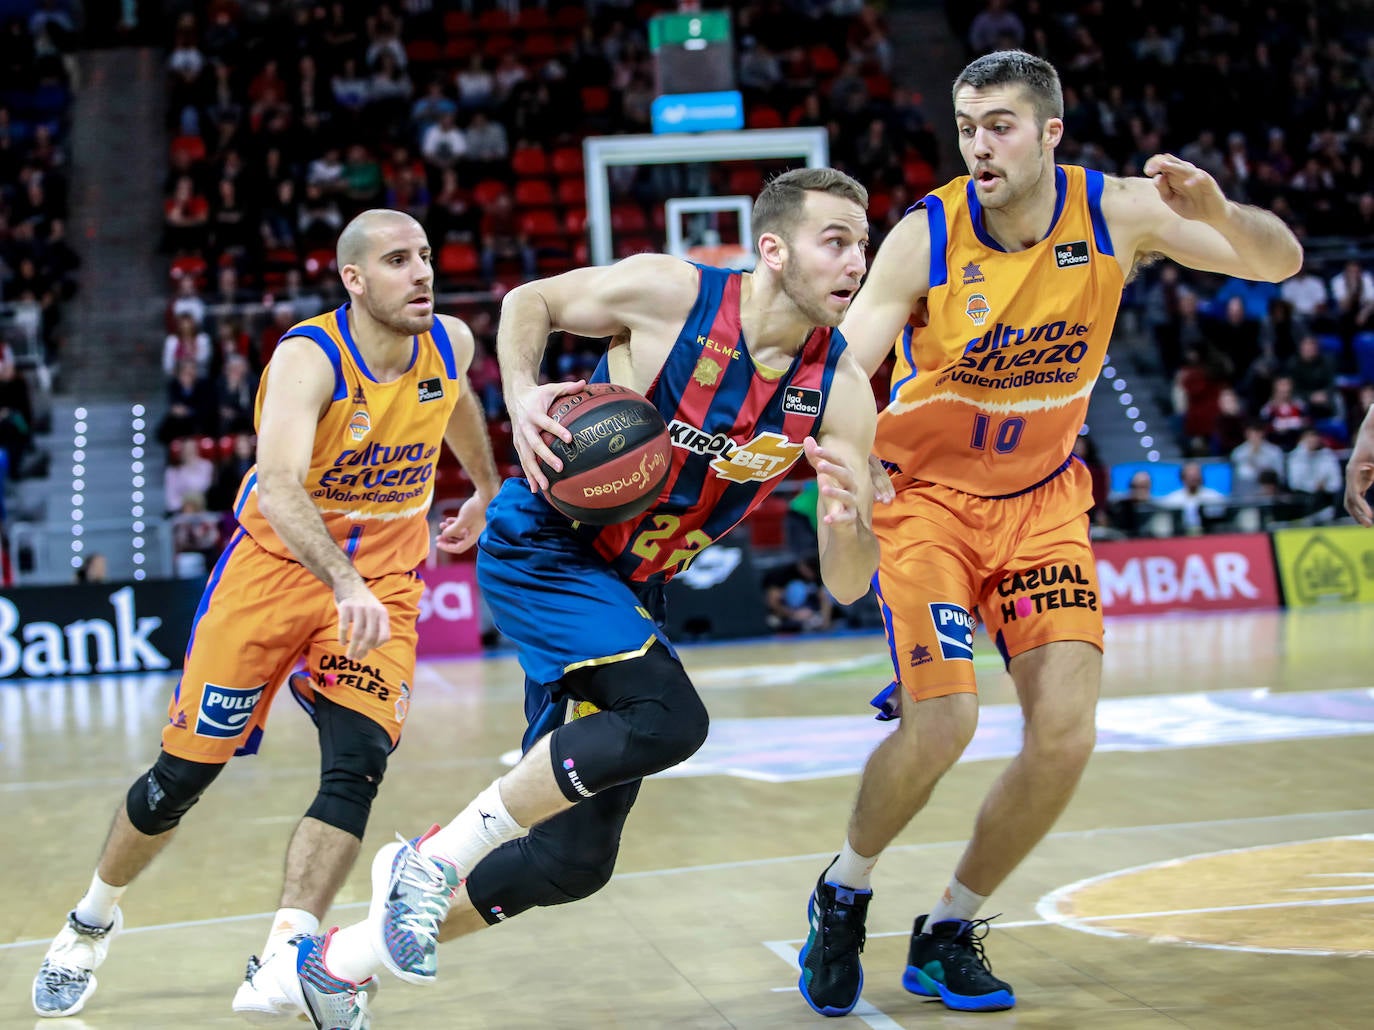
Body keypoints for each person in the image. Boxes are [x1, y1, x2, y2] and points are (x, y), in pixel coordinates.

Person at [245, 167, 882, 1025]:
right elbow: (527, 303)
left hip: (627, 593)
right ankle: (430, 860)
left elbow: (848, 586)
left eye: (863, 245)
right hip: (544, 547)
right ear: (772, 249)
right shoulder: (674, 293)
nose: (856, 262)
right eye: (834, 240)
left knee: (573, 862)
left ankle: (337, 964)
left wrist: (847, 521)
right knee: (672, 721)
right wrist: (520, 392)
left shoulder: (840, 391)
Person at [794, 50, 1302, 1017]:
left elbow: (1281, 260)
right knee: (944, 722)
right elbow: (844, 372)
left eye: (1000, 126)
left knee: (1066, 734)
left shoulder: (1117, 212)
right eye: (967, 126)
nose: (979, 145)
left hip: (1043, 502)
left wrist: (1219, 212)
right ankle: (845, 888)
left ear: (1050, 132)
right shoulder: (925, 235)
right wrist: (844, 467)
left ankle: (948, 927)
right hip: (928, 500)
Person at [31, 209, 502, 1022]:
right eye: (398, 260)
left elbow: (453, 399)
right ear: (353, 279)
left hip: (384, 578)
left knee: (356, 764)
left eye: (425, 255)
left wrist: (486, 485)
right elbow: (279, 484)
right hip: (274, 573)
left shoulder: (449, 342)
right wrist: (341, 580)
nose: (422, 272)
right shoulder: (308, 358)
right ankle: (87, 925)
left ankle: (286, 957)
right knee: (181, 779)